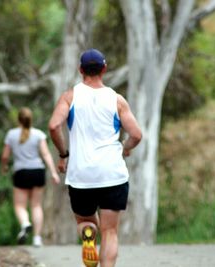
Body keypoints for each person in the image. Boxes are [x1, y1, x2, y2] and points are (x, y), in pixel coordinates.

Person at [48, 48, 142, 267]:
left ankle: (88, 232)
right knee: (110, 232)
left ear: (81, 70)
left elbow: (54, 126)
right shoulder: (117, 100)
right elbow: (136, 134)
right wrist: (125, 148)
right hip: (112, 174)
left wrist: (63, 155)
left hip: (81, 176)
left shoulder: (70, 97)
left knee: (86, 222)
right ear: (104, 69)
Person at [1, 107, 60, 247]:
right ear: (30, 119)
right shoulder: (39, 134)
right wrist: (53, 172)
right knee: (36, 205)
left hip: (21, 172)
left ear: (18, 119)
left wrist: (3, 167)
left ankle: (25, 223)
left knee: (20, 205)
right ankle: (37, 238)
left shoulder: (11, 134)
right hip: (37, 171)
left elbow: (5, 156)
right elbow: (46, 154)